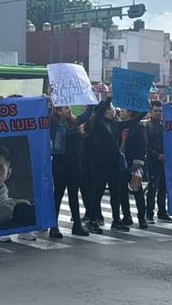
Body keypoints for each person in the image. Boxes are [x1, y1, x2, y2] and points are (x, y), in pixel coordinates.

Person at [82, 98, 127, 231]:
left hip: (114, 162)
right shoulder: (96, 122)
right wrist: (110, 97)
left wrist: (144, 108)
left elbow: (133, 121)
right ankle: (92, 220)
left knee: (116, 192)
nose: (113, 110)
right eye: (109, 108)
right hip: (100, 163)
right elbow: (98, 112)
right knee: (98, 192)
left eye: (112, 107)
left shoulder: (115, 124)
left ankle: (116, 220)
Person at [49, 102, 86, 236]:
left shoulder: (74, 123)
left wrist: (90, 98)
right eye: (66, 108)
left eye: (70, 108)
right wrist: (50, 98)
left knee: (74, 196)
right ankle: (53, 226)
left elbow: (89, 115)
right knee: (57, 196)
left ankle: (77, 224)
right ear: (58, 111)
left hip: (75, 164)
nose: (69, 110)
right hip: (60, 165)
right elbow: (48, 114)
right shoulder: (54, 125)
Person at [113, 106, 148, 229]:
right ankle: (126, 216)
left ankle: (142, 217)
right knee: (122, 191)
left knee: (137, 190)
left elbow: (143, 145)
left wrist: (138, 163)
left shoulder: (138, 127)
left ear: (130, 113)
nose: (121, 113)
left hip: (134, 163)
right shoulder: (119, 126)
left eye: (123, 111)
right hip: (121, 163)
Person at [143, 100, 170, 222]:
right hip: (153, 162)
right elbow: (145, 146)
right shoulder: (148, 126)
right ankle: (149, 214)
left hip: (165, 162)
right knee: (153, 188)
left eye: (160, 111)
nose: (158, 113)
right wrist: (157, 155)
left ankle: (162, 212)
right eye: (156, 111)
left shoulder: (165, 125)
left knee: (163, 188)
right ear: (150, 112)